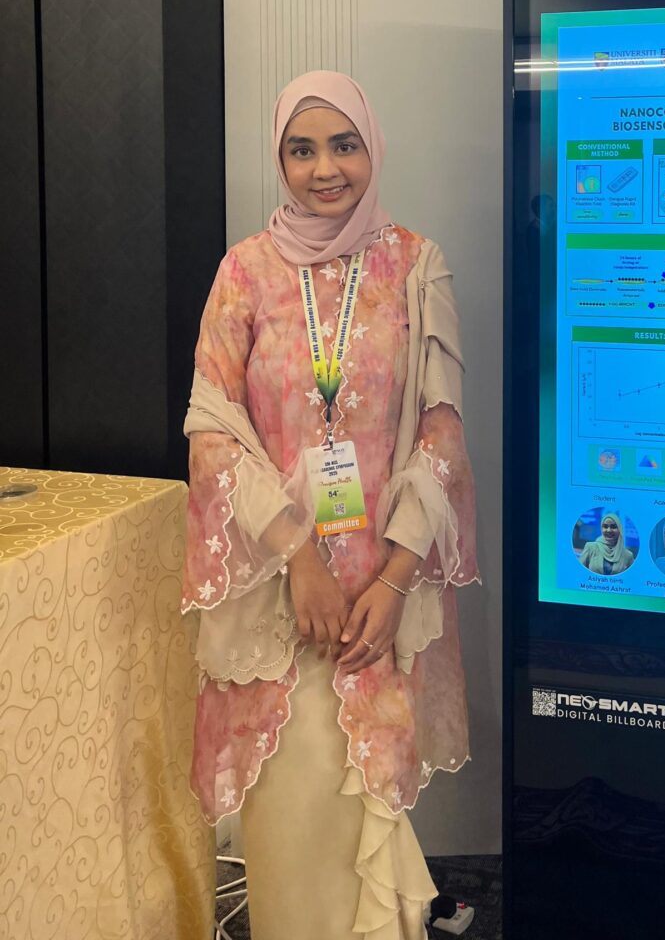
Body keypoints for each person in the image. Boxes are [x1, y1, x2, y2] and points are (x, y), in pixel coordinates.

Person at [181, 71, 478, 940]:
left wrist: (393, 581)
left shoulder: (415, 266)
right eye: (301, 150)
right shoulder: (244, 271)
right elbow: (210, 429)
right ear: (280, 159)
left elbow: (442, 434)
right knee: (294, 827)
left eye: (343, 145)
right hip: (282, 603)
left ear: (371, 147)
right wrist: (299, 559)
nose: (324, 169)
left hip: (377, 605)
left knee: (366, 813)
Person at [579, 511, 635, 576]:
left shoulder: (628, 555)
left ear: (620, 529)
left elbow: (632, 578)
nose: (609, 530)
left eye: (613, 527)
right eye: (605, 526)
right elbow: (579, 572)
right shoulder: (591, 547)